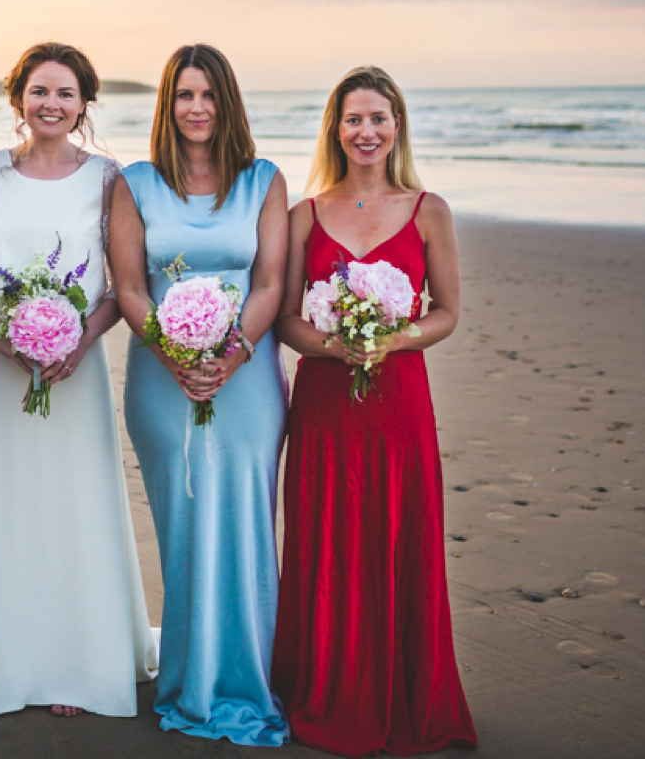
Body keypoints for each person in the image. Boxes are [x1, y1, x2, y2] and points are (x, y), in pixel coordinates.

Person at [271, 66, 477, 756]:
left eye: (378, 119)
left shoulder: (430, 210)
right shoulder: (306, 213)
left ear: (397, 128)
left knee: (398, 534)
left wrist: (393, 337)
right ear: (336, 128)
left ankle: (404, 697)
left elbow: (447, 312)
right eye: (354, 119)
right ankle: (326, 687)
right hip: (327, 400)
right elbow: (285, 322)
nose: (366, 131)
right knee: (327, 537)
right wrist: (335, 346)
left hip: (400, 404)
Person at [0, 41, 157, 718]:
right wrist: (4, 336)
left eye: (66, 94)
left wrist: (79, 338)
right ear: (19, 99)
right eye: (40, 91)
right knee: (6, 506)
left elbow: (123, 284)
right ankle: (15, 664)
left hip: (77, 368)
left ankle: (77, 662)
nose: (52, 104)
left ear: (84, 104)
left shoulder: (108, 177)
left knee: (76, 503)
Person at [109, 43, 290, 746]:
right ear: (168, 103)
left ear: (228, 103)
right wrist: (177, 355)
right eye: (184, 95)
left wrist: (233, 353)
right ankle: (188, 676)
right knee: (185, 525)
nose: (197, 108)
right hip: (161, 378)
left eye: (209, 95)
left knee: (246, 520)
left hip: (247, 380)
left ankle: (248, 675)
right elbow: (129, 287)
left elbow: (271, 281)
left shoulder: (264, 181)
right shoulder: (136, 183)